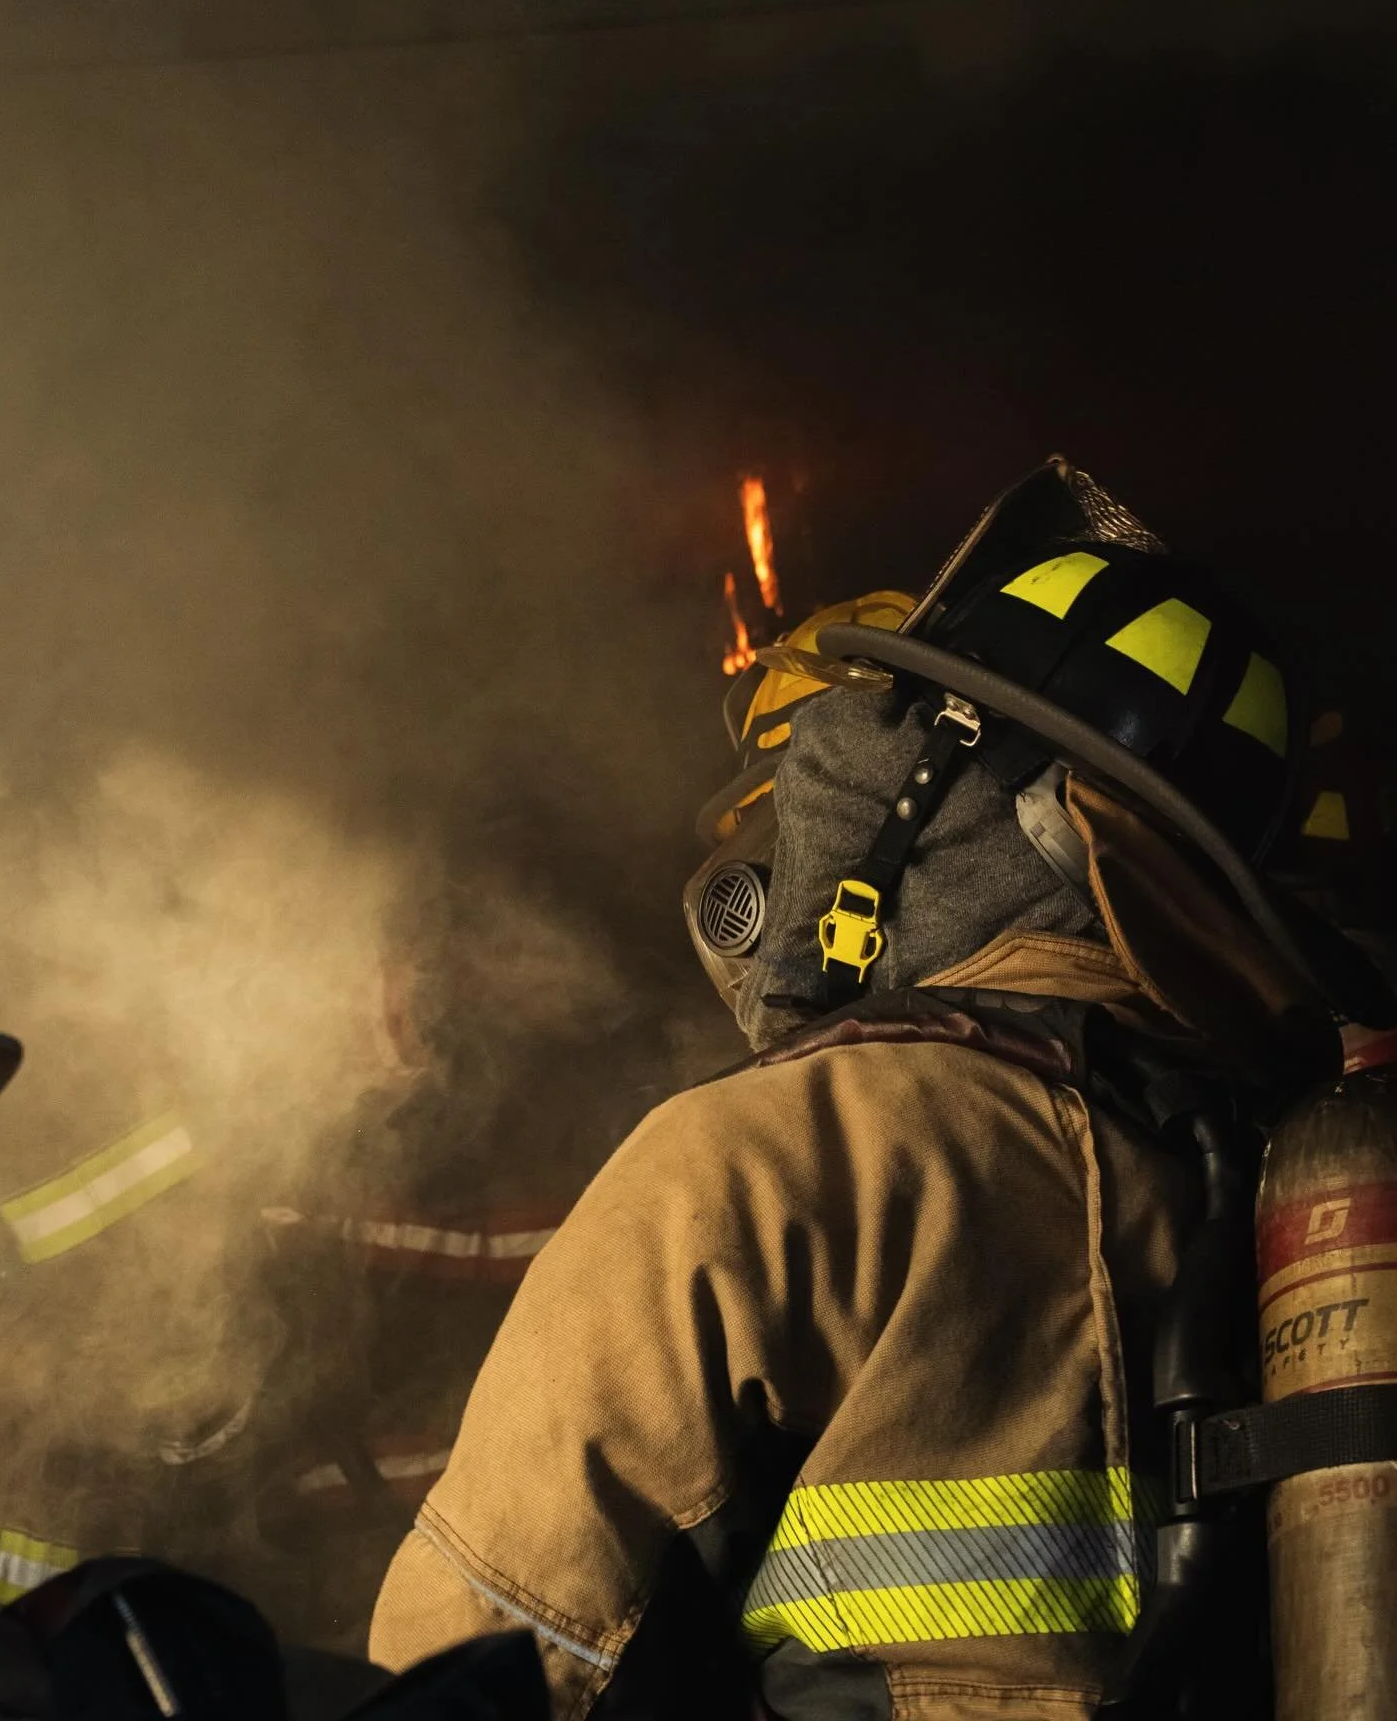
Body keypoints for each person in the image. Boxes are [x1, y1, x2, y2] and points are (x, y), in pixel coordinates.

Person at [368, 458, 1345, 1720]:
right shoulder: (1292, 1192)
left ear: (957, 792)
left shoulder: (762, 1161)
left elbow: (478, 1653)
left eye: (890, 720)